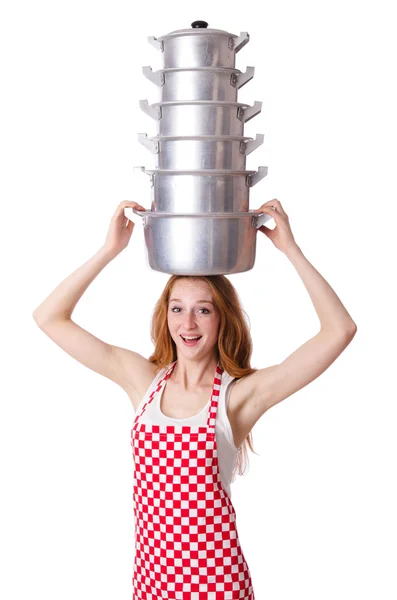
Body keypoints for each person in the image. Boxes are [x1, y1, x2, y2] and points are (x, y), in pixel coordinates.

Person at [33, 199, 357, 599]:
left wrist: (291, 250)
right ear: (165, 316)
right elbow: (49, 317)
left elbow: (339, 331)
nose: (188, 324)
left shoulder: (238, 398)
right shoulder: (142, 381)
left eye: (203, 310)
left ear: (222, 319)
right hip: (152, 584)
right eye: (178, 309)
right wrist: (108, 251)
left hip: (219, 586)